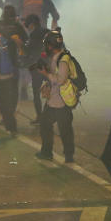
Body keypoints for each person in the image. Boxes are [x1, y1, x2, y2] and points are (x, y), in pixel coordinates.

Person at [34, 30, 77, 163]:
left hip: (61, 102)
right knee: (45, 125)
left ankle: (68, 155)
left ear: (51, 45)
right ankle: (47, 152)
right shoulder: (57, 57)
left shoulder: (63, 60)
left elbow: (61, 80)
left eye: (47, 44)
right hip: (53, 100)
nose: (46, 47)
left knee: (65, 131)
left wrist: (46, 74)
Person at [21, 14, 48, 123]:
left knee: (36, 93)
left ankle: (40, 117)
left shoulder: (34, 35)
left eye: (28, 25)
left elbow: (28, 51)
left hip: (37, 67)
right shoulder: (49, 32)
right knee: (52, 92)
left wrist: (19, 44)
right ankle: (47, 115)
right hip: (51, 66)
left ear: (32, 24)